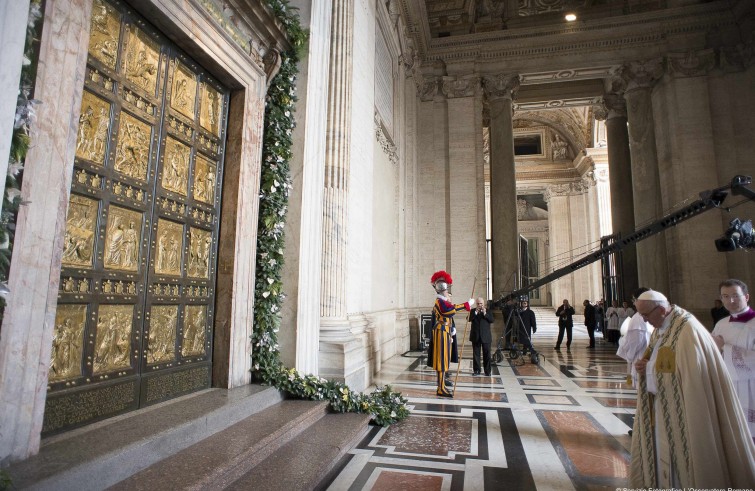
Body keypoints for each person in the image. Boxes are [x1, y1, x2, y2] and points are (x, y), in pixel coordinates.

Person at [631, 290, 755, 487]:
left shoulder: (686, 329)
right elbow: (658, 360)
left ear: (662, 310)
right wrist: (644, 366)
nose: (644, 321)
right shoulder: (663, 326)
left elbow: (689, 373)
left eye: (646, 315)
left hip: (687, 407)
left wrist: (650, 370)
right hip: (663, 407)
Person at [711, 279, 755, 440]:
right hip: (728, 386)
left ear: (747, 297)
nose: (731, 301)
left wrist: (725, 347)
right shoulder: (721, 324)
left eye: (736, 296)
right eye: (725, 296)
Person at [429, 270, 473, 398]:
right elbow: (449, 311)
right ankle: (440, 388)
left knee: (444, 360)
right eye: (447, 289)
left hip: (445, 331)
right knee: (441, 360)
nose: (448, 291)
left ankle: (441, 386)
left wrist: (451, 330)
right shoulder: (440, 302)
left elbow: (450, 309)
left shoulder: (443, 301)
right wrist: (466, 305)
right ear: (443, 289)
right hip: (441, 331)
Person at [616, 287, 652, 436]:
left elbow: (635, 342)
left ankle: (643, 428)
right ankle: (644, 426)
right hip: (646, 358)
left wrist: (622, 343)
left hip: (641, 360)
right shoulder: (646, 315)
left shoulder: (638, 317)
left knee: (644, 396)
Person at [469, 297, 493, 376]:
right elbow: (469, 319)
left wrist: (485, 313)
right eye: (478, 304)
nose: (479, 305)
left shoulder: (488, 311)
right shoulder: (473, 311)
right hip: (475, 336)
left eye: (481, 304)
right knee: (476, 354)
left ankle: (487, 371)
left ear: (484, 304)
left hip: (486, 336)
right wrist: (475, 312)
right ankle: (476, 370)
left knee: (487, 354)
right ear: (476, 304)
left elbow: (492, 320)